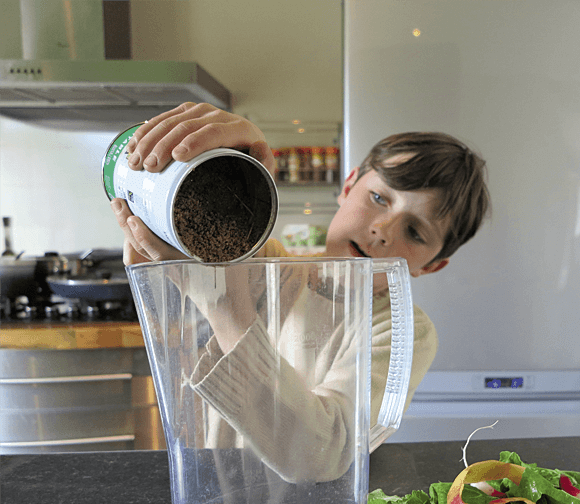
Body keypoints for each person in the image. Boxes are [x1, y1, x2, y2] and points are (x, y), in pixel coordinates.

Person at [111, 102, 490, 480]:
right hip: (217, 496)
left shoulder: (403, 331)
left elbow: (320, 455)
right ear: (348, 185)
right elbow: (168, 281)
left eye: (415, 232)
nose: (383, 230)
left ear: (430, 266)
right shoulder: (267, 266)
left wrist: (226, 307)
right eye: (378, 198)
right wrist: (229, 160)